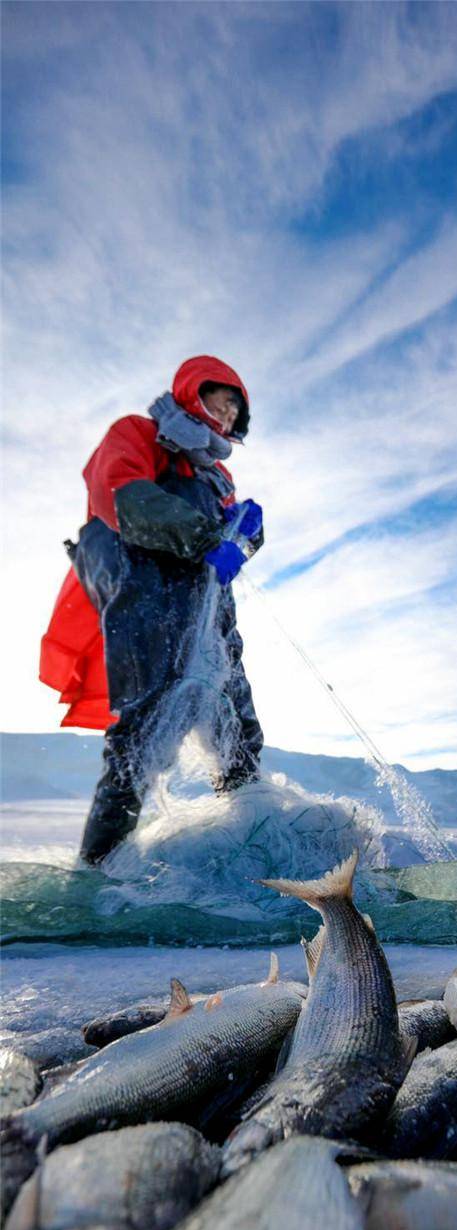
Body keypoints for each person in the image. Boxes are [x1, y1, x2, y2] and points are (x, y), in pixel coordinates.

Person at [40, 355, 265, 865]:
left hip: (208, 611)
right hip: (141, 589)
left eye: (236, 413)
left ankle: (251, 853)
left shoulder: (217, 475)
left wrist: (249, 532)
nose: (228, 418)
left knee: (239, 727)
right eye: (222, 401)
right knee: (143, 729)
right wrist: (208, 536)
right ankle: (95, 873)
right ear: (193, 389)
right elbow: (122, 496)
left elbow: (232, 545)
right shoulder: (141, 433)